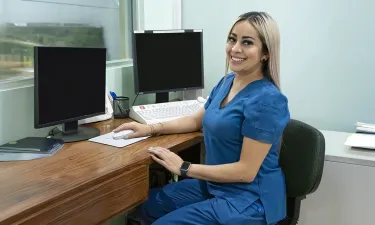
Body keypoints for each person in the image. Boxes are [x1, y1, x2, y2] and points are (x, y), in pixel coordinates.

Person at [114, 11, 290, 225]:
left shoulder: (267, 101)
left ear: (265, 53)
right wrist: (150, 128)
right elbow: (195, 121)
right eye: (232, 39)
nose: (235, 49)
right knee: (149, 205)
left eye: (247, 43)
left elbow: (246, 172)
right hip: (216, 185)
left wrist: (184, 167)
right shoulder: (228, 82)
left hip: (250, 200)